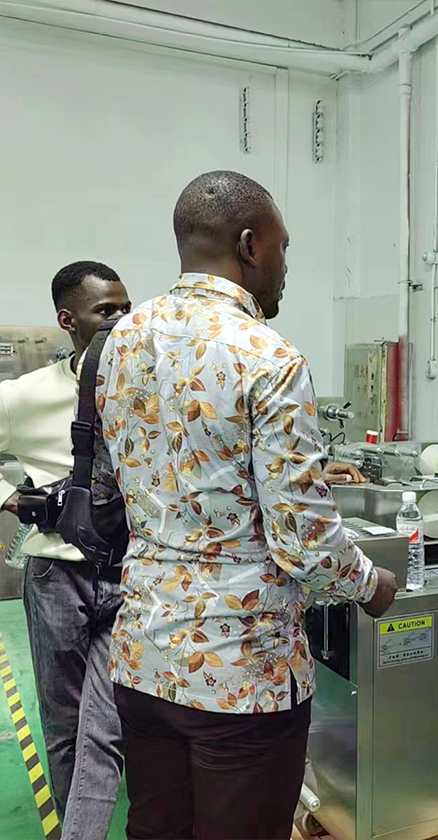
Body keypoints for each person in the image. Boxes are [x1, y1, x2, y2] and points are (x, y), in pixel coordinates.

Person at [93, 170, 397, 840]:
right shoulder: (267, 356)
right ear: (251, 245)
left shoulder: (121, 341)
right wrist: (369, 583)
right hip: (241, 672)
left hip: (143, 656)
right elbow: (304, 542)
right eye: (284, 248)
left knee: (158, 827)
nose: (286, 267)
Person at [0, 261, 132, 839]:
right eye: (105, 311)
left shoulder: (147, 391)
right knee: (64, 721)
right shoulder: (25, 396)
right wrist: (12, 498)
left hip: (131, 573)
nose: (121, 320)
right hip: (58, 576)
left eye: (127, 309)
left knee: (123, 714)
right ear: (67, 320)